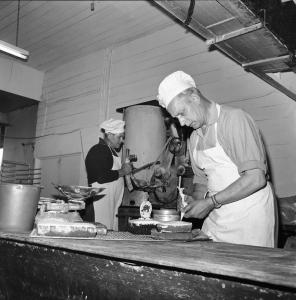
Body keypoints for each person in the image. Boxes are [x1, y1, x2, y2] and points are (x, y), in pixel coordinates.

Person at [157, 70, 277, 247]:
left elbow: (255, 178)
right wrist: (196, 201)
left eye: (182, 113)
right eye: (177, 118)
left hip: (249, 217)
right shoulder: (194, 138)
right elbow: (202, 181)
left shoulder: (234, 119)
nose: (181, 123)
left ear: (195, 97)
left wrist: (210, 202)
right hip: (218, 218)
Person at [84, 118, 132, 230]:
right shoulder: (98, 150)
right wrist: (123, 171)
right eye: (120, 136)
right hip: (99, 206)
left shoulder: (111, 152)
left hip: (110, 206)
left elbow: (113, 176)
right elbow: (101, 177)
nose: (122, 140)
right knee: (99, 234)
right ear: (110, 135)